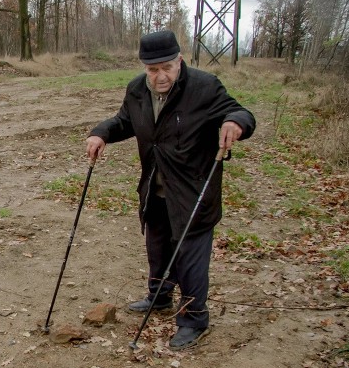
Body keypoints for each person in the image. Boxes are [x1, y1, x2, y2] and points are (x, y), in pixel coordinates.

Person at [85, 30, 255, 351]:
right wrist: (101, 133)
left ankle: (194, 320)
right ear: (143, 67)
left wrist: (235, 123)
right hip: (154, 187)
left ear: (180, 60)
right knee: (158, 248)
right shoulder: (137, 90)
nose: (160, 76)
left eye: (166, 67)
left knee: (190, 257)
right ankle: (160, 297)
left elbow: (240, 111)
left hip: (193, 192)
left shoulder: (204, 87)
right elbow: (125, 121)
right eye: (152, 69)